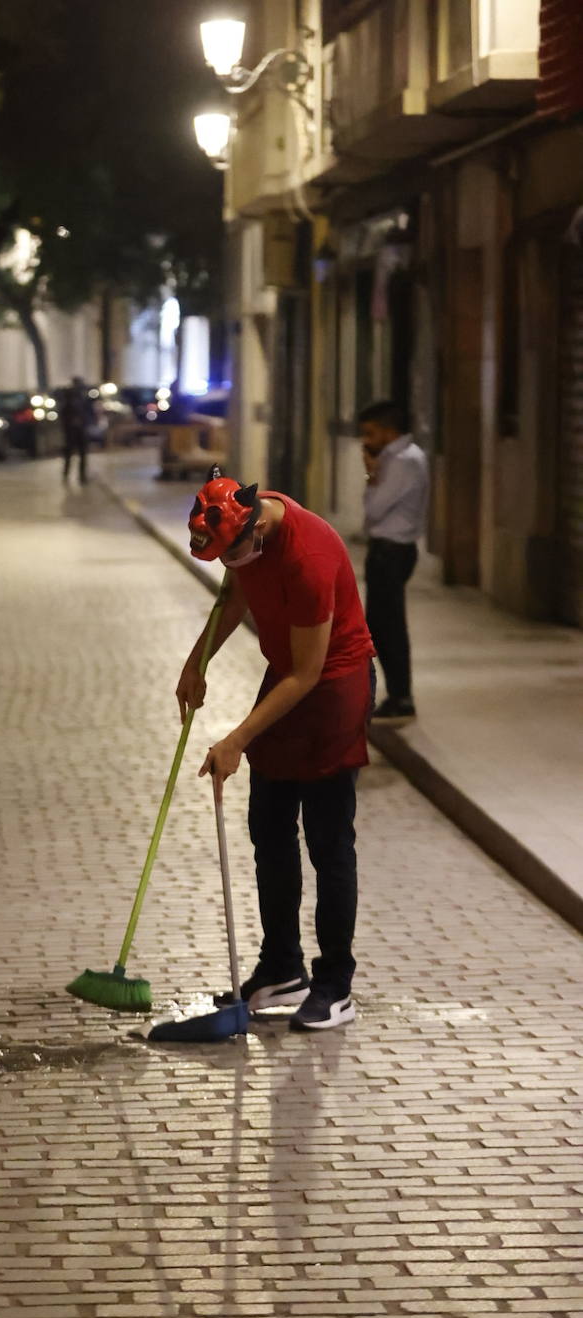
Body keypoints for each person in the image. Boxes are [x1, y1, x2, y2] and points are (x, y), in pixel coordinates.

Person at [176, 468, 375, 1031]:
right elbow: (234, 598)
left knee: (328, 841)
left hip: (333, 682)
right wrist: (198, 662)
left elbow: (309, 672)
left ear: (255, 530)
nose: (230, 568)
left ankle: (335, 982)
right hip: (287, 674)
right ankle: (282, 965)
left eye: (231, 555)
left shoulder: (307, 557)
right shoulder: (242, 532)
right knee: (268, 825)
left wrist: (238, 737)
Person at [358, 400, 428, 723]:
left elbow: (374, 511)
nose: (367, 441)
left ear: (389, 431)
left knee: (389, 628)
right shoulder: (401, 458)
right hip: (390, 550)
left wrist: (372, 476)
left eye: (371, 433)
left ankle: (401, 697)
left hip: (391, 551)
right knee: (381, 626)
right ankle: (395, 694)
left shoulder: (401, 462)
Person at [60, 377, 95, 485]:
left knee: (79, 453)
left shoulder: (82, 397)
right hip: (73, 430)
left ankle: (80, 475)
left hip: (78, 429)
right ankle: (73, 475)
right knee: (73, 453)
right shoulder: (70, 397)